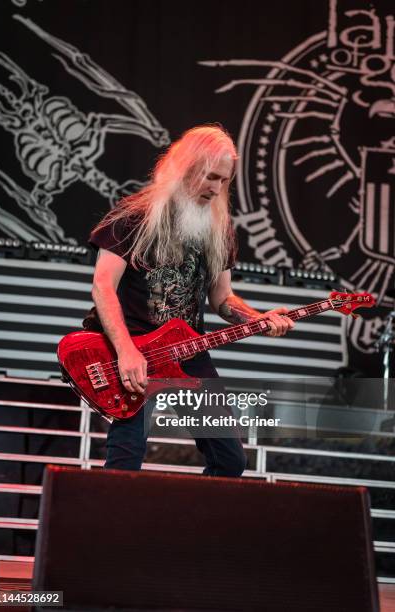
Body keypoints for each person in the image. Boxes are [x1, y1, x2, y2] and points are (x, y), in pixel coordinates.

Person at [86, 125, 294, 476]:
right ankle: (115, 528)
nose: (216, 188)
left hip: (189, 350)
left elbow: (223, 299)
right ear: (185, 167)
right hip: (135, 346)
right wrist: (125, 351)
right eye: (210, 176)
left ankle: (189, 529)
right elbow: (102, 286)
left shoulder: (219, 228)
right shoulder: (135, 215)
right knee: (126, 457)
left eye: (224, 181)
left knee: (230, 460)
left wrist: (258, 318)